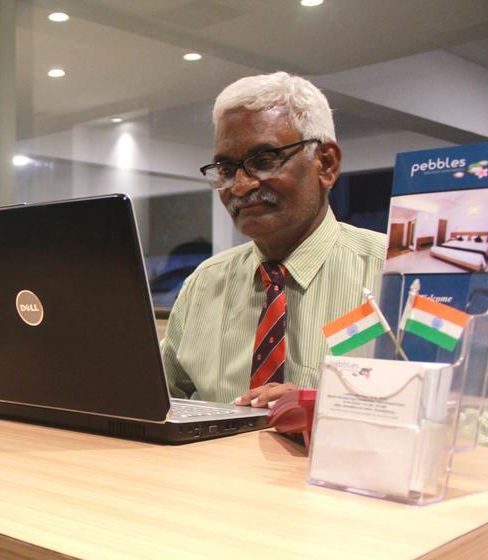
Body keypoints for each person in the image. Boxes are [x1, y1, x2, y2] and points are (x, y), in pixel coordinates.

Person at [161, 72, 386, 407]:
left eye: (264, 162)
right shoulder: (205, 284)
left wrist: (329, 410)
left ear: (325, 164)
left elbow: (468, 415)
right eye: (227, 170)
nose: (240, 187)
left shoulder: (400, 275)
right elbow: (153, 400)